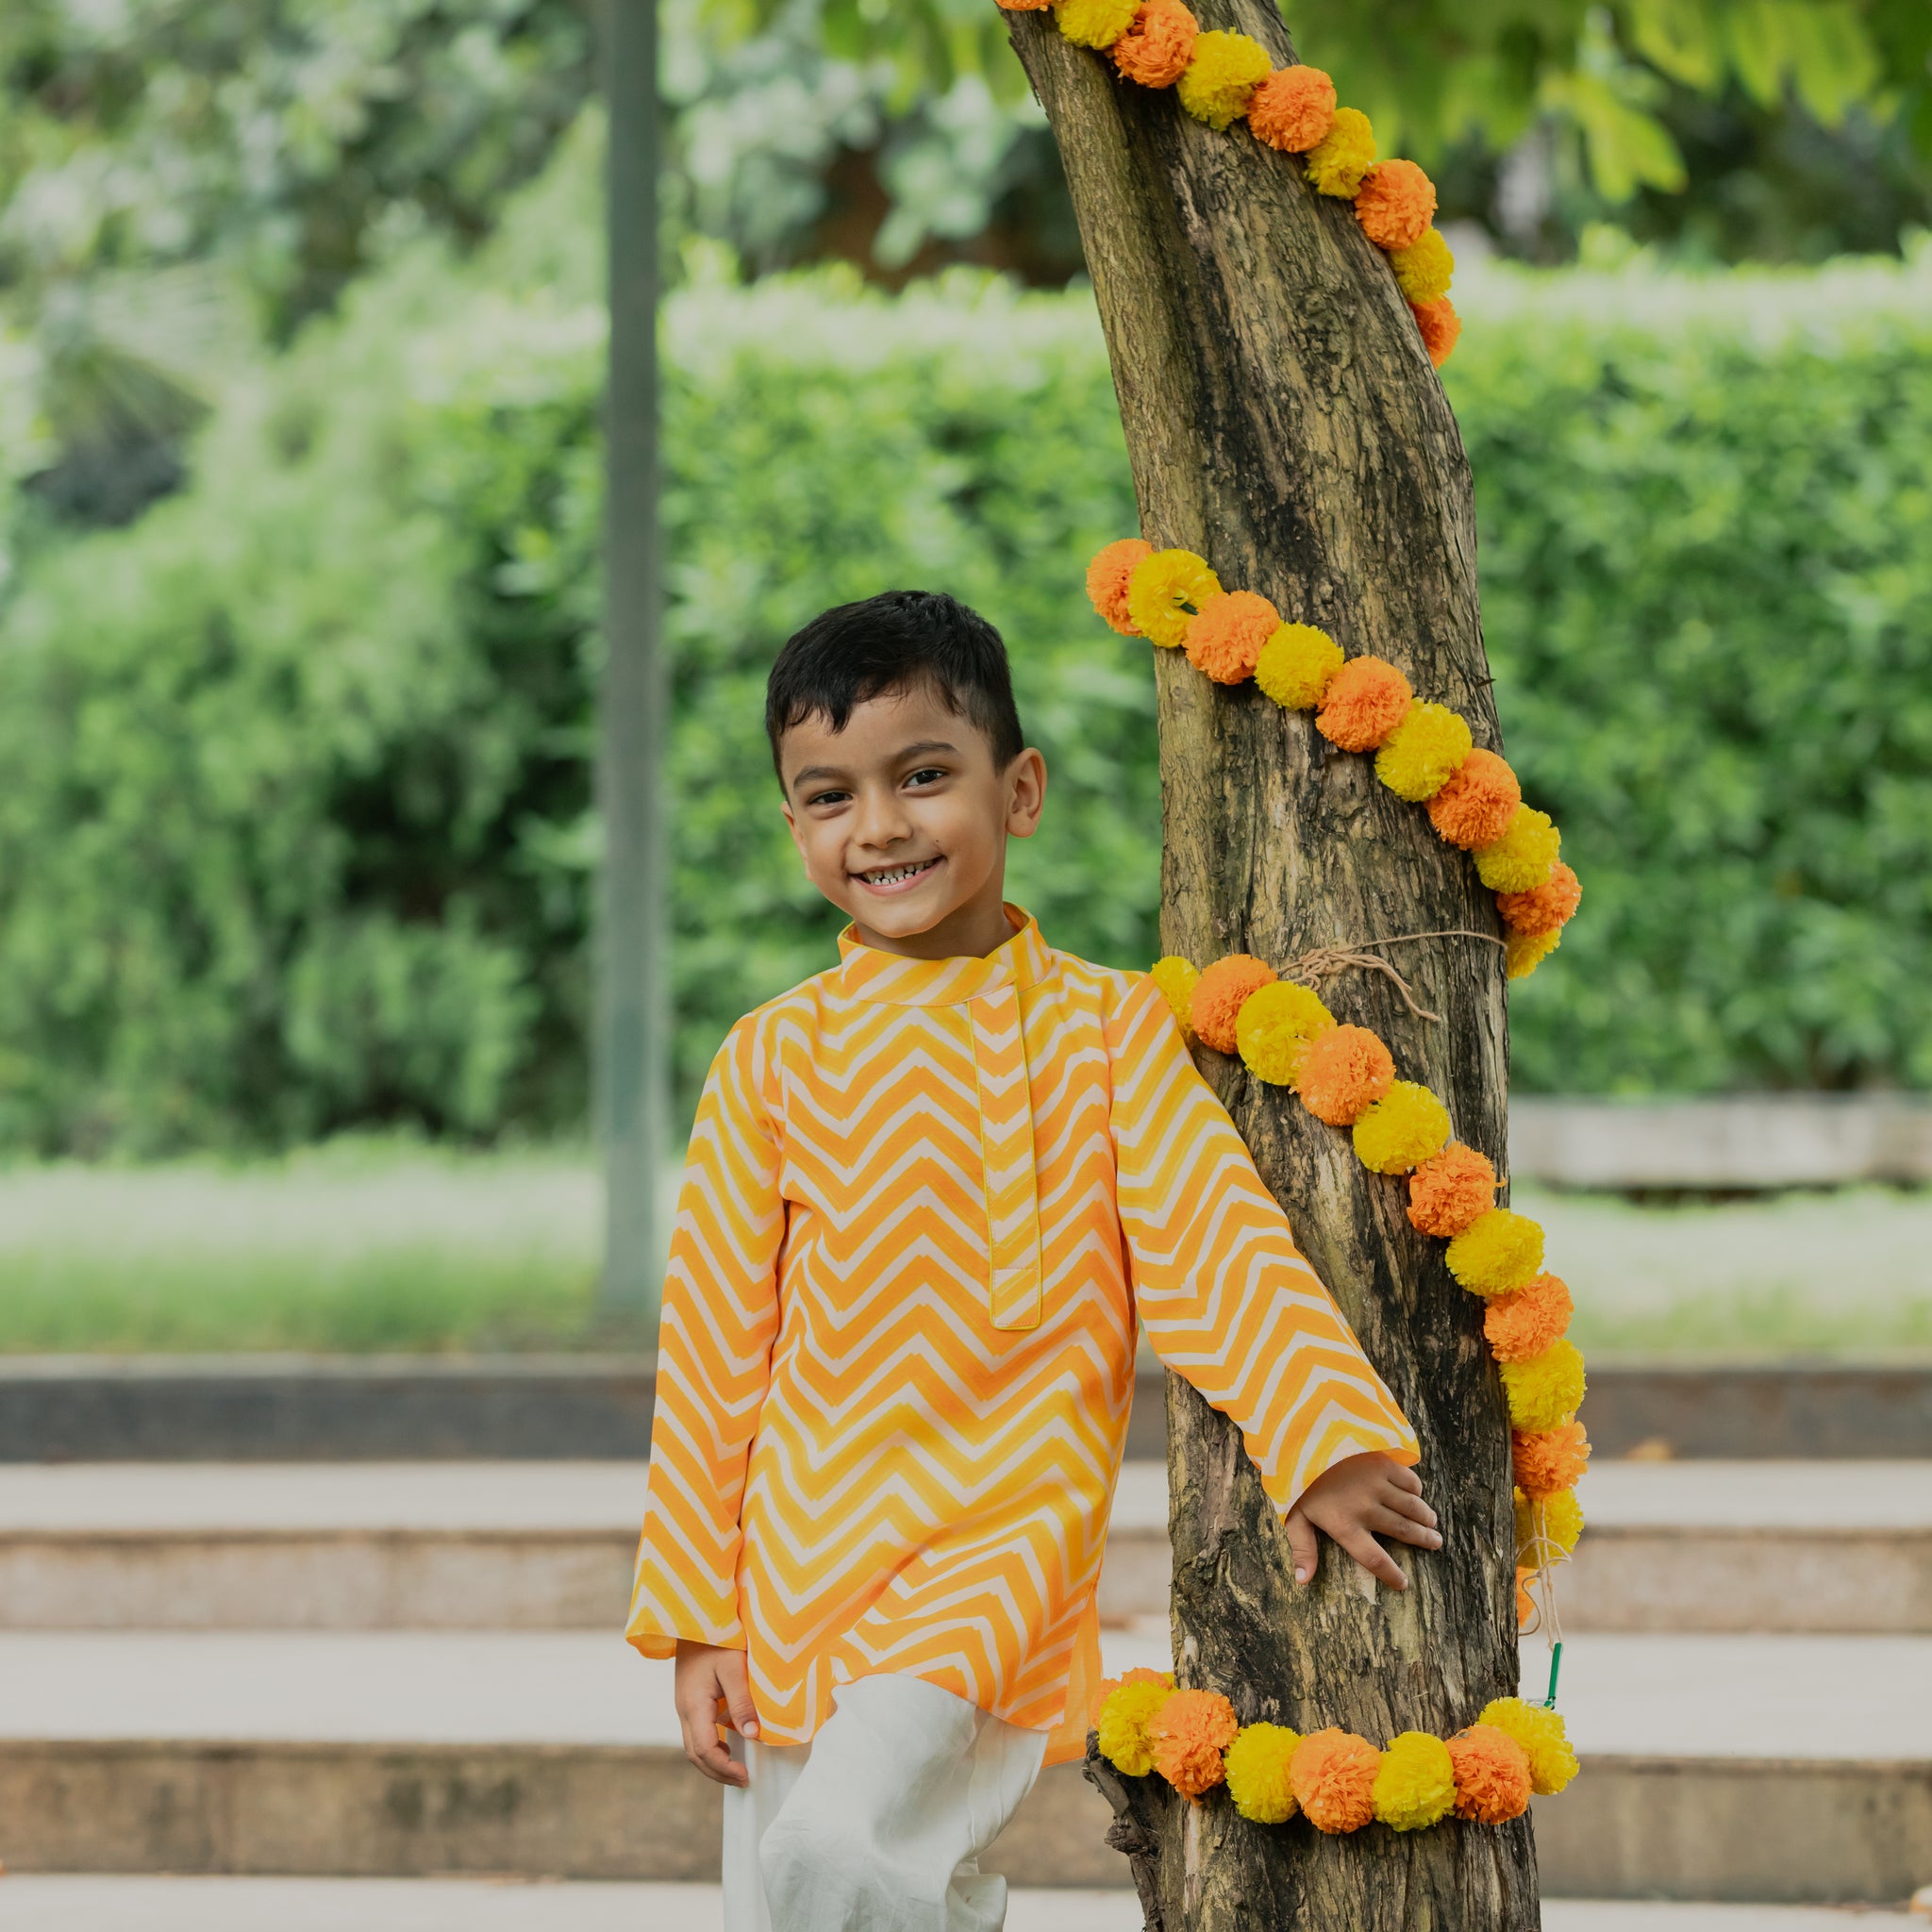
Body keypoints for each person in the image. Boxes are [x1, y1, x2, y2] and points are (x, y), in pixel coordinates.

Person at [627, 590, 1441, 1931]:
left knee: (833, 1855)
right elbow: (714, 1346)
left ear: (1021, 790)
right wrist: (697, 1614)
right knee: (791, 1902)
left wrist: (1322, 1436)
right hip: (796, 1564)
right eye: (828, 797)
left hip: (995, 1553)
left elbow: (1208, 1229)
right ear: (793, 827)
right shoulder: (770, 1057)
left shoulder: (1106, 1029)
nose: (879, 827)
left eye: (923, 776)